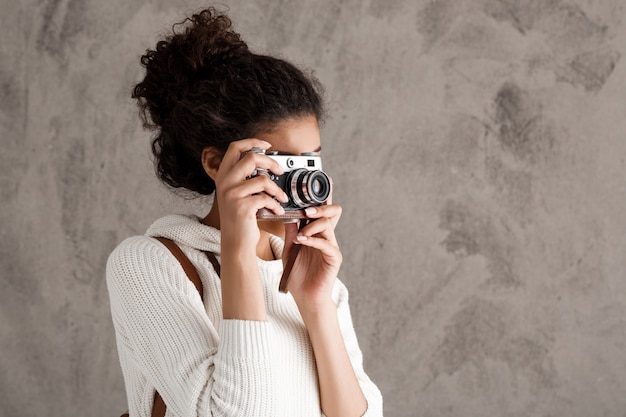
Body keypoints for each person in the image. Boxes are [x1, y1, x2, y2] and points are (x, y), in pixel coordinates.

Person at [106, 7, 383, 417]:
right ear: (217, 164)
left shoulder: (317, 279)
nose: (297, 180)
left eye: (309, 162)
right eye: (280, 162)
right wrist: (238, 254)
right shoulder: (147, 265)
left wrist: (316, 303)